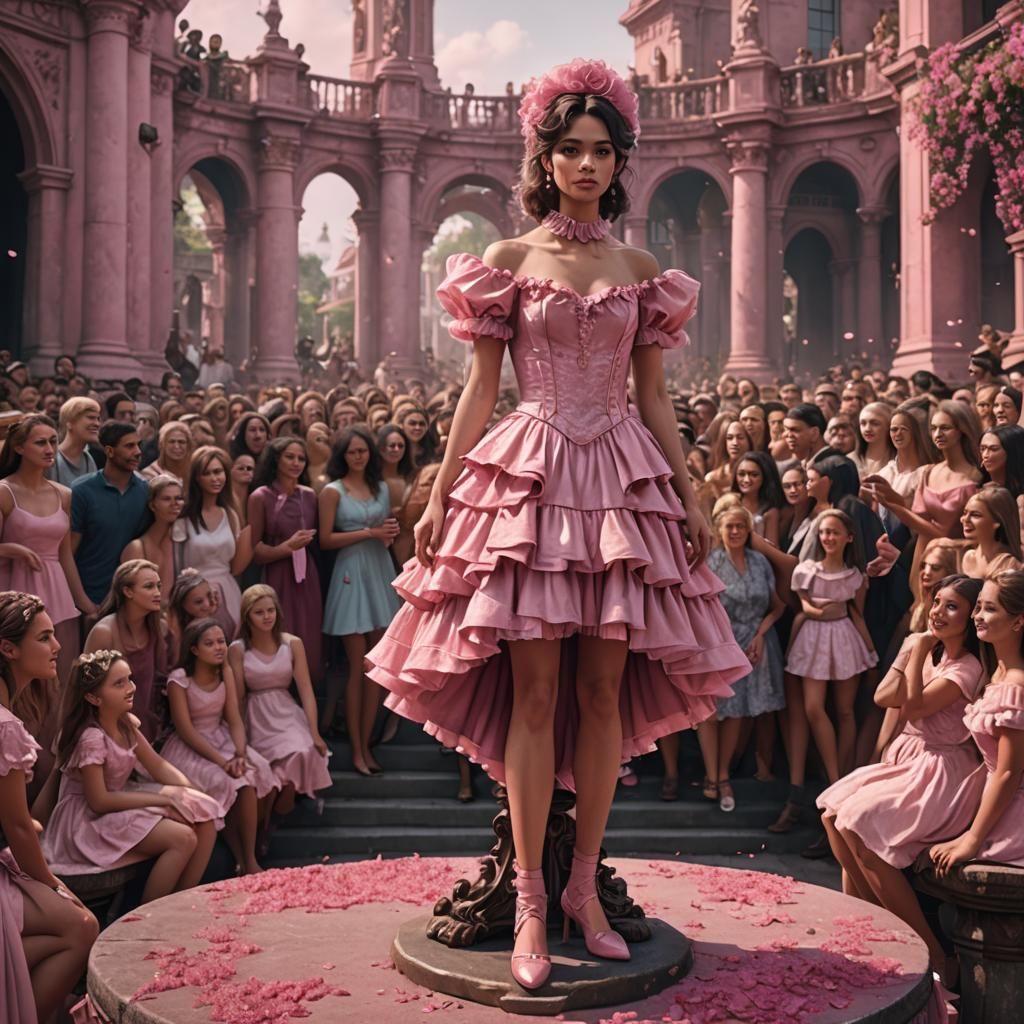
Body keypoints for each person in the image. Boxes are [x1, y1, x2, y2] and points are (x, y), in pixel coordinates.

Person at [364, 59, 748, 988]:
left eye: (601, 151)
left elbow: (655, 398)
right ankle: (530, 900)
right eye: (571, 148)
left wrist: (691, 495)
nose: (585, 163)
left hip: (620, 480)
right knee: (535, 697)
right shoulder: (504, 261)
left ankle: (583, 886)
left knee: (603, 698)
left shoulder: (642, 272)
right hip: (530, 476)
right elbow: (478, 390)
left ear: (618, 163)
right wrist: (442, 491)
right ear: (546, 157)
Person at [819, 575, 984, 987]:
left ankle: (934, 953)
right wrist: (912, 651)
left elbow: (910, 706)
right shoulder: (929, 652)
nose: (938, 612)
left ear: (969, 619)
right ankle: (871, 928)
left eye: (951, 607)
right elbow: (882, 696)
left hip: (943, 770)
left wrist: (917, 651)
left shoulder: (966, 668)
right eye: (937, 602)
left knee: (863, 825)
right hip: (912, 759)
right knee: (832, 815)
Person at [42, 650, 218, 902]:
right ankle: (151, 912)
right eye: (119, 684)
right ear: (93, 697)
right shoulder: (92, 738)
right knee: (183, 838)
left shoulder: (125, 724)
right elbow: (99, 801)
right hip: (87, 820)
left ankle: (182, 900)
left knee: (205, 814)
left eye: (129, 679)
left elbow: (158, 766)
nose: (131, 688)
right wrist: (162, 799)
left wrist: (189, 791)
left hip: (115, 803)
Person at [0, 592, 99, 1023]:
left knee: (67, 930)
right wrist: (55, 887)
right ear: (8, 649)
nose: (57, 646)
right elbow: (18, 828)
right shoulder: (4, 727)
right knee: (81, 926)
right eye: (44, 638)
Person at [160, 618, 276, 875]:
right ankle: (242, 858)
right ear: (194, 649)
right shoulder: (179, 680)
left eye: (221, 641)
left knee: (255, 771)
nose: (218, 648)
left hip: (222, 738)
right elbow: (186, 730)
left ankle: (250, 856)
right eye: (210, 643)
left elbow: (234, 718)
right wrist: (222, 762)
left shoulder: (226, 673)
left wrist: (240, 754)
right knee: (231, 782)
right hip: (192, 747)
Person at [931, 571, 1024, 874]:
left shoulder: (1015, 686)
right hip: (986, 801)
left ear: (1018, 621)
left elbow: (1008, 773)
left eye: (990, 608)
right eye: (979, 606)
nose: (977, 616)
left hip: (1012, 815)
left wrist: (972, 839)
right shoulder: (997, 671)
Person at [319, 428, 401, 766]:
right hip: (350, 571)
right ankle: (356, 750)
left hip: (379, 568)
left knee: (375, 665)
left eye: (363, 451)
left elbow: (390, 529)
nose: (358, 456)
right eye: (352, 451)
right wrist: (369, 532)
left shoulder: (382, 487)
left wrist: (389, 533)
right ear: (342, 455)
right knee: (357, 665)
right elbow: (325, 539)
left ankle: (367, 744)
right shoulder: (332, 491)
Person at [700, 497, 785, 809]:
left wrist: (761, 634)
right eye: (729, 526)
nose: (735, 531)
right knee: (710, 712)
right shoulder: (710, 563)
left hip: (752, 645)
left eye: (740, 526)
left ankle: (723, 776)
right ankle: (711, 777)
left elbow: (778, 606)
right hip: (717, 642)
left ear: (749, 530)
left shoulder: (760, 562)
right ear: (718, 529)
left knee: (737, 710)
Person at [0, 415, 94, 684]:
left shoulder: (64, 495)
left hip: (58, 596)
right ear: (19, 447)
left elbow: (65, 556)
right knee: (14, 679)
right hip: (13, 592)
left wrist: (85, 604)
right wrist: (11, 549)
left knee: (59, 680)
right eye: (40, 443)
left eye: (53, 441)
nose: (50, 449)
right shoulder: (4, 492)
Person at [786, 510, 877, 784]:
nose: (828, 537)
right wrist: (816, 611)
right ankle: (833, 772)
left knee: (845, 711)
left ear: (849, 537)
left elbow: (857, 615)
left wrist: (871, 653)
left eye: (835, 532)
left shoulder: (854, 576)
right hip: (812, 640)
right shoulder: (806, 571)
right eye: (824, 532)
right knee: (813, 707)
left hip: (844, 640)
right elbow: (804, 606)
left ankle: (842, 776)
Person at [228, 585, 330, 826]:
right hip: (256, 714)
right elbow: (238, 697)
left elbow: (306, 691)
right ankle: (266, 824)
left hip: (286, 711)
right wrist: (239, 735)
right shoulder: (237, 649)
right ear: (247, 616)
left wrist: (314, 731)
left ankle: (283, 803)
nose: (267, 617)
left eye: (270, 610)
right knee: (267, 766)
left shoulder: (292, 643)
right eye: (259, 612)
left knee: (303, 750)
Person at [249, 437, 322, 679]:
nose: (296, 463)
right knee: (280, 631)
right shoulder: (261, 496)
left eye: (301, 458)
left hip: (307, 575)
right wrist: (285, 548)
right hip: (276, 574)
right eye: (289, 457)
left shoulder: (310, 495)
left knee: (309, 634)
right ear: (276, 459)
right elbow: (254, 550)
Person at [84, 559, 167, 740]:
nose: (157, 593)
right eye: (149, 586)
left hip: (146, 727)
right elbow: (84, 687)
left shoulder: (158, 628)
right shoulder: (104, 632)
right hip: (109, 730)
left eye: (158, 586)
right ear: (128, 591)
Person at [71, 420, 149, 607]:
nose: (137, 452)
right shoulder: (82, 490)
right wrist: (84, 603)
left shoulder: (146, 491)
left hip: (131, 599)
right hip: (90, 597)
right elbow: (68, 552)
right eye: (129, 446)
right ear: (109, 451)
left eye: (138, 445)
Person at [180, 446, 251, 639]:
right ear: (196, 478)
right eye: (207, 473)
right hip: (194, 594)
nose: (214, 478)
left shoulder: (231, 514)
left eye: (218, 472)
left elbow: (236, 564)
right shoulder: (183, 516)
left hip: (229, 591)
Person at [121, 474, 185, 598]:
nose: (174, 504)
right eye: (166, 499)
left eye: (179, 498)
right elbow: (132, 597)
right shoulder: (137, 548)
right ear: (152, 505)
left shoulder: (183, 542)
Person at [960, 487, 1023, 579]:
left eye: (976, 515)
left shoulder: (1010, 565)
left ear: (997, 522)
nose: (965, 519)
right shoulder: (969, 557)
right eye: (965, 513)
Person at [730, 450, 784, 547]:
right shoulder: (729, 503)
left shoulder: (770, 511)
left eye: (754, 475)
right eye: (741, 474)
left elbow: (772, 549)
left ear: (764, 477)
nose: (746, 480)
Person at [49, 396, 100, 487]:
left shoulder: (89, 460)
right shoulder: (51, 459)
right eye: (91, 417)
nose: (97, 424)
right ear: (70, 423)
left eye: (98, 419)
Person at [142, 421, 193, 490]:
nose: (177, 446)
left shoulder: (194, 472)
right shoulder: (149, 474)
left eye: (181, 442)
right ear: (162, 444)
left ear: (188, 445)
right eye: (172, 442)